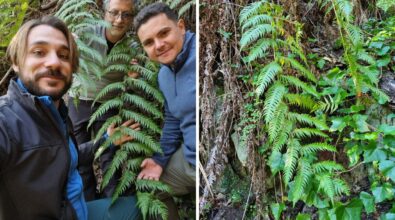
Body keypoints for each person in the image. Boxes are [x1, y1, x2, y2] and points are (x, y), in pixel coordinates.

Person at [1, 16, 140, 220]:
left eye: (64, 55)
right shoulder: (7, 119)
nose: (54, 62)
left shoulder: (55, 112)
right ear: (16, 62)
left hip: (76, 212)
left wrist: (106, 141)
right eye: (39, 52)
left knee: (136, 206)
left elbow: (64, 153)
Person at [67, 0, 137, 200]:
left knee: (109, 153)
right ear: (104, 13)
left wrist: (132, 78)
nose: (119, 20)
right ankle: (87, 201)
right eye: (114, 13)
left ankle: (111, 202)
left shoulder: (132, 47)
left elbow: (130, 85)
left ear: (132, 18)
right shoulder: (86, 34)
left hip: (109, 104)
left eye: (126, 14)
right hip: (79, 100)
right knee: (81, 153)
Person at [134, 3, 196, 219]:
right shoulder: (164, 74)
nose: (158, 45)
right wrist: (159, 160)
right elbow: (172, 119)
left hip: (214, 165)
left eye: (164, 33)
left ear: (181, 26)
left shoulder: (204, 55)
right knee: (147, 185)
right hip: (190, 160)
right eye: (149, 42)